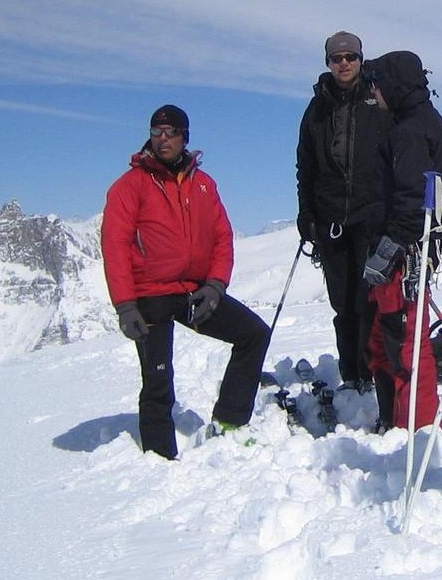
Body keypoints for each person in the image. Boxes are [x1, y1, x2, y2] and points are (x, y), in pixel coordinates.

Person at [102, 104, 272, 460]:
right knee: (158, 381)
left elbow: (222, 237)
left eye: (171, 133)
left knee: (253, 334)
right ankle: (160, 459)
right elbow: (115, 245)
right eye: (156, 132)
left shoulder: (204, 185)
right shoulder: (129, 186)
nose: (163, 139)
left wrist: (215, 285)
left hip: (194, 291)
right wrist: (125, 305)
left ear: (185, 138)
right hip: (150, 296)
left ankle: (229, 421)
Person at [359, 50, 442, 432]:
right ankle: (394, 418)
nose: (373, 92)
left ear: (394, 85)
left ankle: (416, 427)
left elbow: (414, 199)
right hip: (409, 250)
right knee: (388, 339)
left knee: (405, 344)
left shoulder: (411, 130)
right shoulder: (418, 122)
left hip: (406, 255)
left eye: (377, 84)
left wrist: (390, 248)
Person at [296, 32, 392, 391]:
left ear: (361, 59)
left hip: (371, 215)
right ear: (328, 63)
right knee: (343, 302)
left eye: (350, 57)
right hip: (331, 218)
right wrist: (306, 212)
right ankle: (351, 374)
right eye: (337, 58)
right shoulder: (317, 108)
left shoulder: (376, 98)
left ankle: (370, 371)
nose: (344, 64)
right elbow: (305, 164)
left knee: (367, 300)